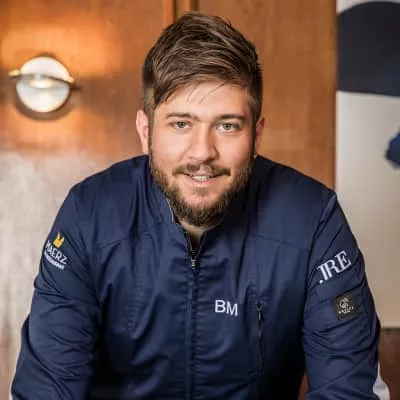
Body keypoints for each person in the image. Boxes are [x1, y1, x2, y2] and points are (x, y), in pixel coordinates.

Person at [11, 12, 389, 400]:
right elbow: (45, 389)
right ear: (146, 131)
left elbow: (349, 390)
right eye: (181, 124)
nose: (202, 152)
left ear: (256, 135)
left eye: (227, 125)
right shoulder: (89, 214)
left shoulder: (313, 220)